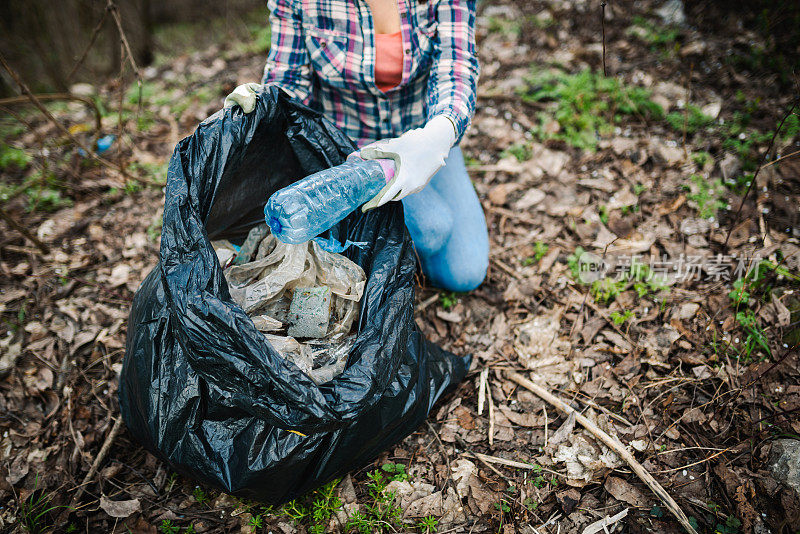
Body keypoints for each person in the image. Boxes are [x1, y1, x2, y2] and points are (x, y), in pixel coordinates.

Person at [225, 0, 488, 292]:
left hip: (425, 138)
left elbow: (456, 66)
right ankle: (382, 254)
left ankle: (382, 243)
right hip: (351, 148)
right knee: (430, 229)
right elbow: (290, 81)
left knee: (464, 272)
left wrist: (439, 134)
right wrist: (264, 106)